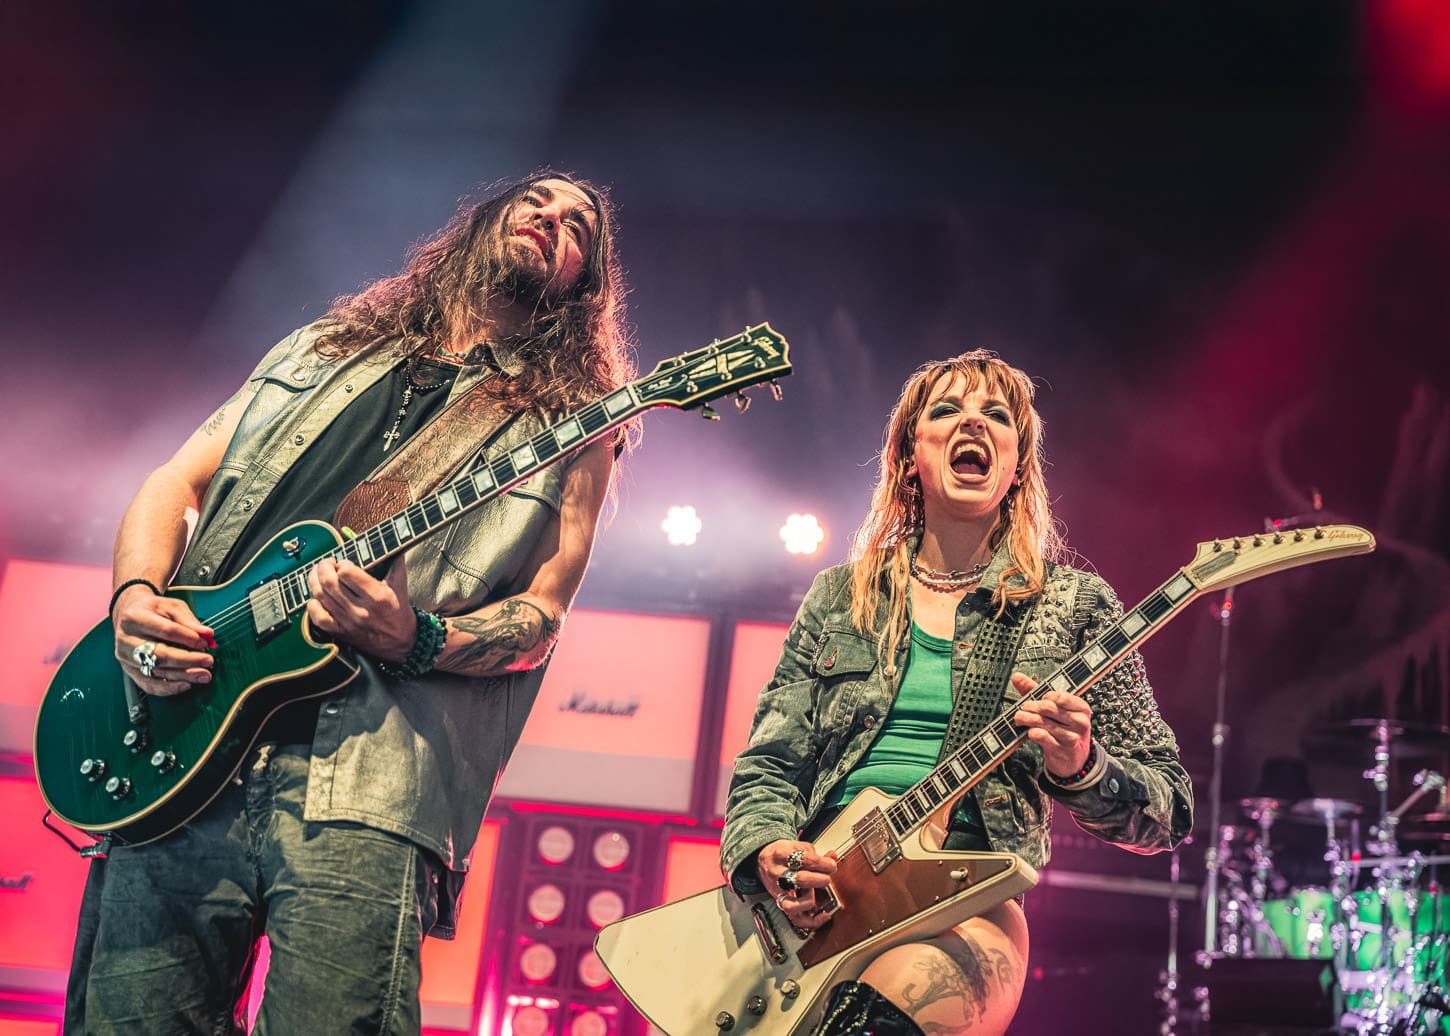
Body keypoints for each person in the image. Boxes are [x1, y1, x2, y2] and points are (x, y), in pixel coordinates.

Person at [65, 172, 634, 1033]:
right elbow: (174, 480)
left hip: (369, 787)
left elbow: (541, 616)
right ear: (482, 221)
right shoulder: (322, 349)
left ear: (581, 283)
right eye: (536, 203)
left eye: (578, 227)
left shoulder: (574, 421)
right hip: (182, 746)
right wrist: (135, 599)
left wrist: (417, 635)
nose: (551, 221)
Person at [720, 349, 1193, 1036]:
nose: (973, 421)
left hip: (962, 907)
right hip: (816, 900)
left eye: (996, 415)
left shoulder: (1074, 606)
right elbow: (770, 767)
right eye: (948, 410)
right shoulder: (840, 596)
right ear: (912, 455)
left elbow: (1169, 808)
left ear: (1017, 464)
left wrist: (1081, 767)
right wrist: (769, 852)